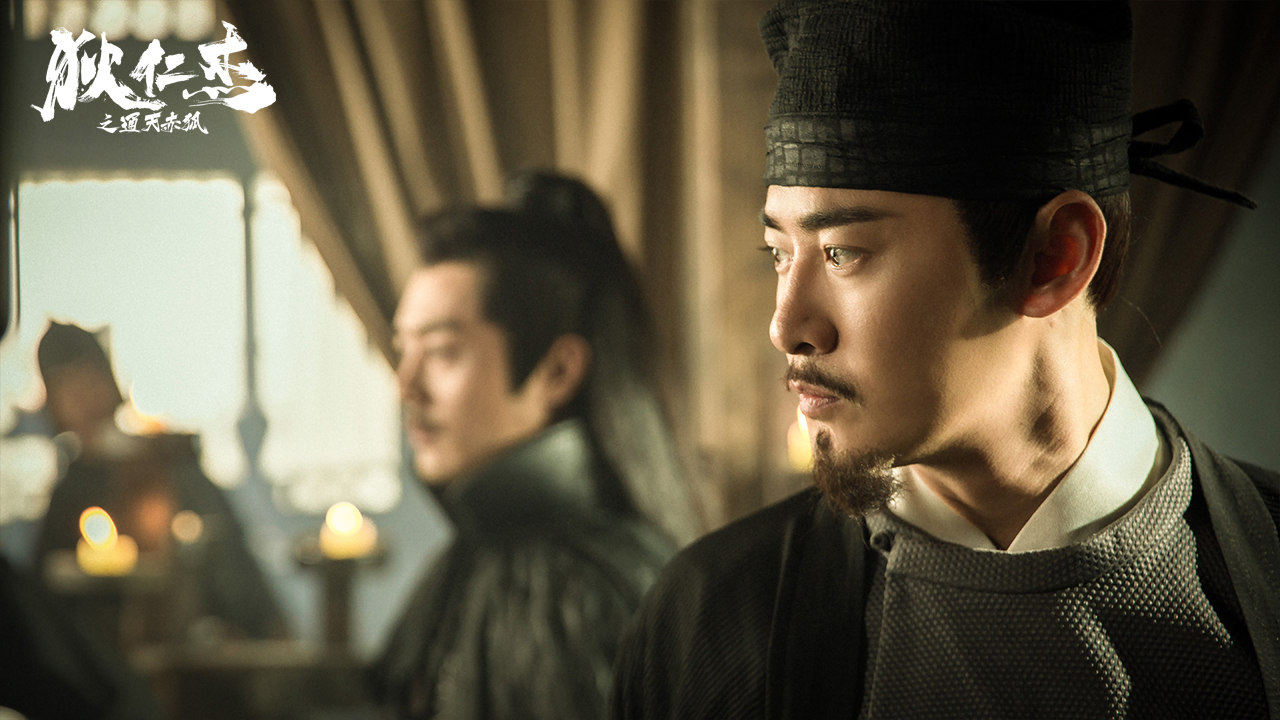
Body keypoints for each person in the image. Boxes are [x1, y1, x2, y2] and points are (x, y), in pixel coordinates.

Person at [611, 2, 1280, 718]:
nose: (786, 327)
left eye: (842, 253)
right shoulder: (707, 627)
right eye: (779, 253)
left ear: (1055, 257)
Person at [372, 172, 697, 719]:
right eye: (404, 349)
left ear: (557, 370)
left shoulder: (576, 591)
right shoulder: (475, 557)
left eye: (443, 352)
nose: (405, 387)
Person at [33, 321, 286, 644]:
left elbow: (230, 568)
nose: (83, 400)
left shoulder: (171, 469)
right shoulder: (69, 493)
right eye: (67, 388)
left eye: (89, 381)